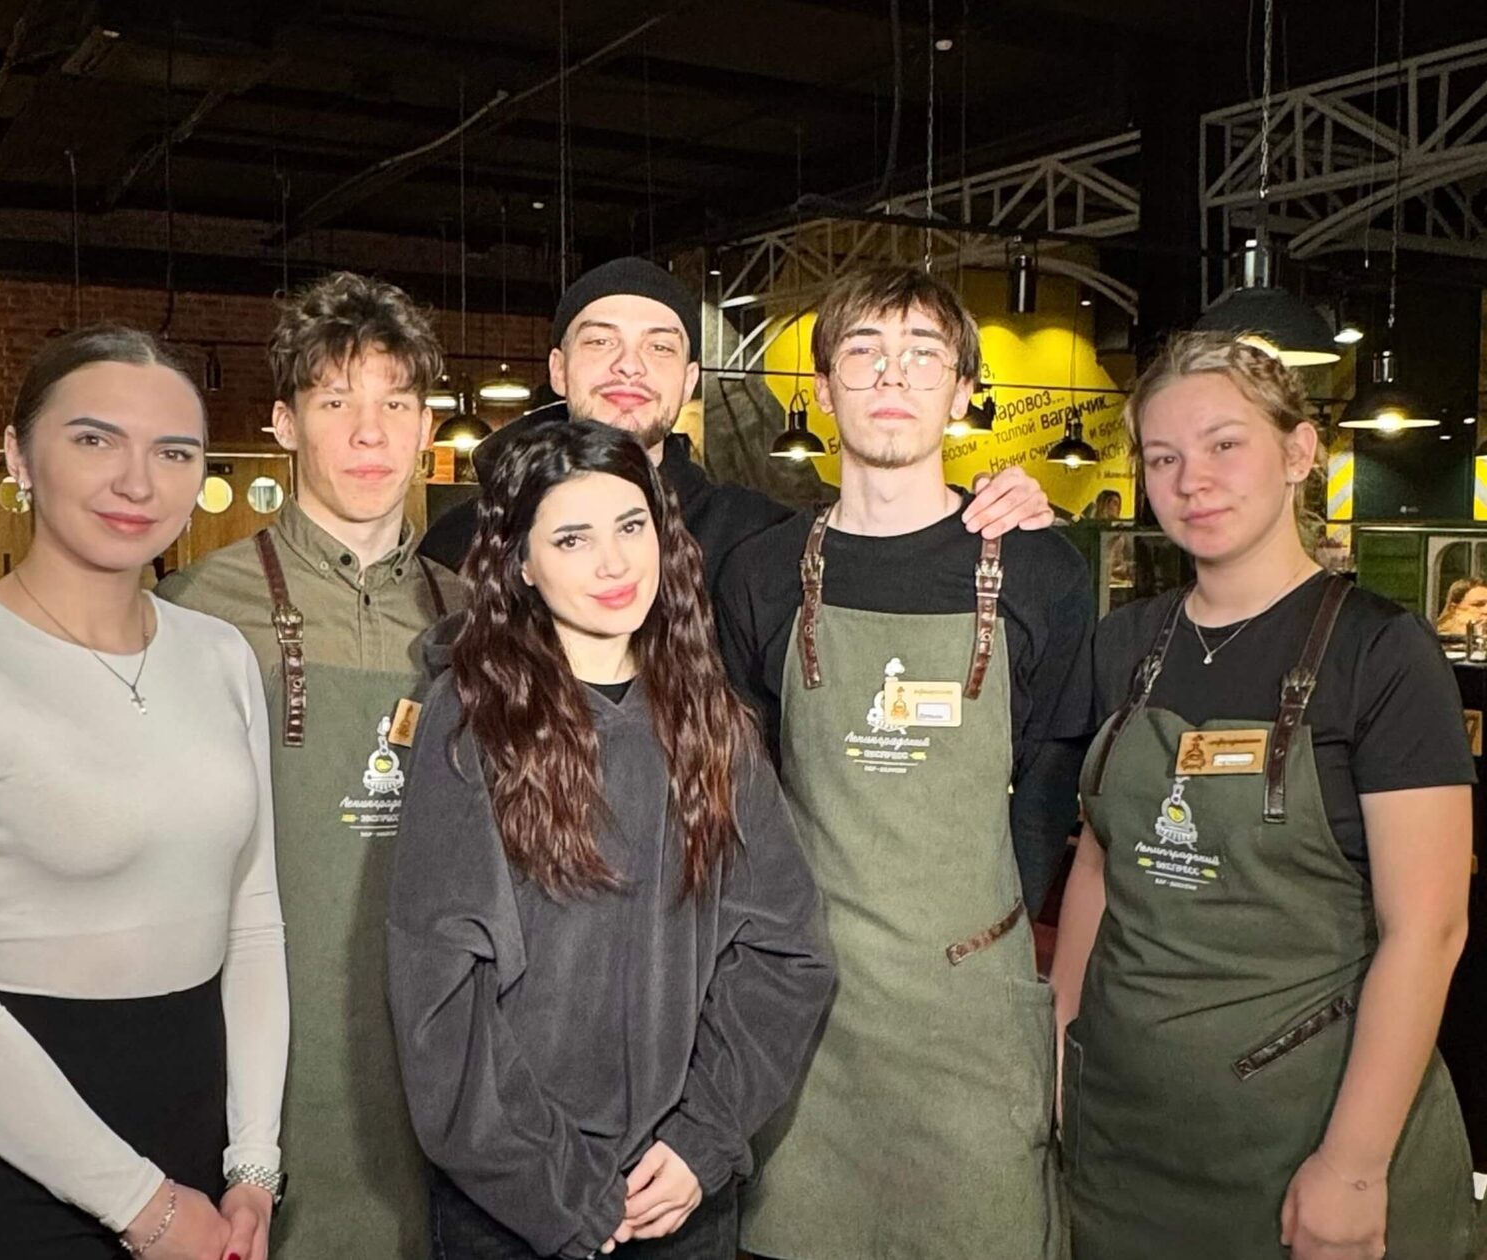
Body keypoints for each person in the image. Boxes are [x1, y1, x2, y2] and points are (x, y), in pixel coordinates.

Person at [0, 325, 287, 1260]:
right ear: (19, 456)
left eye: (174, 453)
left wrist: (253, 1165)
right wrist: (143, 1206)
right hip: (8, 1160)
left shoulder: (220, 655)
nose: (138, 482)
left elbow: (253, 926)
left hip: (200, 1140)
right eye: (94, 440)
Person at [1051, 331, 1477, 1260]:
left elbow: (1429, 929)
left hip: (1305, 1133)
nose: (1192, 480)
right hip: (1123, 1136)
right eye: (1163, 457)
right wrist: (1058, 1047)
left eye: (1224, 444)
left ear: (1297, 452)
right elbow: (1099, 865)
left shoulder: (1382, 654)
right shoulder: (1124, 644)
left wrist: (1354, 1166)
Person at [716, 264, 1094, 1260]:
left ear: (964, 392)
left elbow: (1050, 779)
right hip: (809, 1014)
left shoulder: (1042, 570)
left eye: (923, 355)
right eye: (864, 353)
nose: (893, 376)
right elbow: (743, 790)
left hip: (971, 1014)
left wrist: (983, 936)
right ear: (823, 389)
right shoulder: (760, 573)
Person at [388, 419, 835, 1259]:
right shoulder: (470, 724)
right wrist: (558, 1189)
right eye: (572, 538)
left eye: (632, 527)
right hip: (515, 1205)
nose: (614, 563)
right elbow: (441, 999)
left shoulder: (712, 723)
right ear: (521, 563)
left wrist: (703, 1138)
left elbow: (785, 954)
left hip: (679, 1193)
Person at [159, 273, 463, 1258]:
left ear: (427, 429)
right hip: (262, 1054)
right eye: (337, 402)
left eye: (396, 404)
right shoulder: (198, 610)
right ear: (286, 424)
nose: (370, 434)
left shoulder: (477, 616)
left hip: (434, 1047)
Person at [419, 257, 1054, 588]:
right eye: (601, 341)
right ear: (558, 369)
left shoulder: (756, 537)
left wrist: (984, 509)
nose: (629, 365)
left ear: (690, 379)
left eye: (660, 346)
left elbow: (887, 545)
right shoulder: (465, 540)